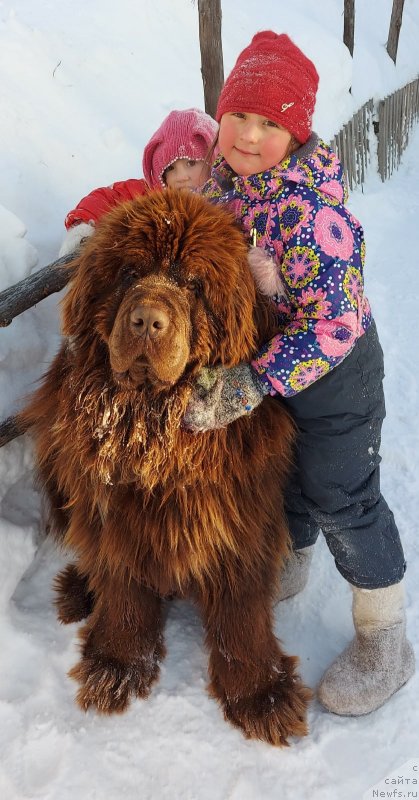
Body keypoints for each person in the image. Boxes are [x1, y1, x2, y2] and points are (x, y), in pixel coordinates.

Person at [183, 30, 415, 716]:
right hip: (271, 365)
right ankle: (290, 558)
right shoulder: (224, 188)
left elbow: (335, 324)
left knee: (339, 494)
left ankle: (385, 637)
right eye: (238, 117)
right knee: (282, 472)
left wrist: (253, 380)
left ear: (298, 132)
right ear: (218, 117)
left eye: (271, 123)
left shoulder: (313, 215)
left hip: (334, 375)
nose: (250, 136)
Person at [59, 107, 218, 255]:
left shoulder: (229, 199)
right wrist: (83, 229)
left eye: (191, 163)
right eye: (170, 169)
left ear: (212, 161)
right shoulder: (147, 196)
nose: (182, 176)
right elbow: (107, 197)